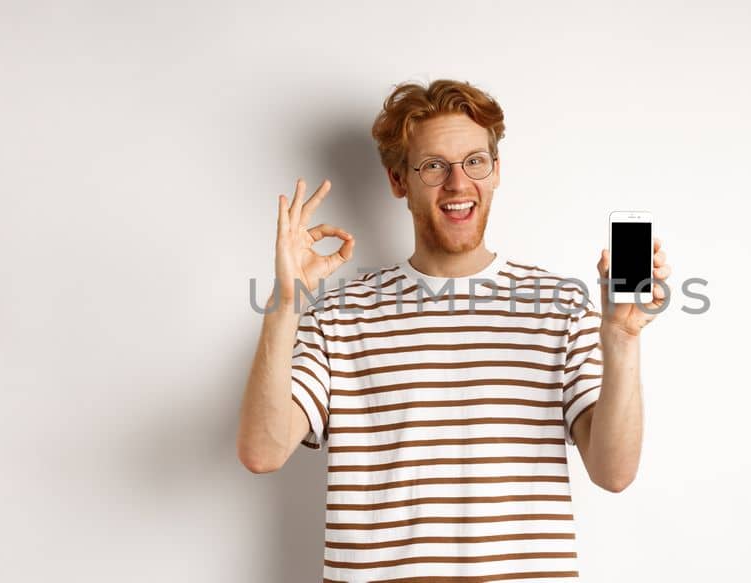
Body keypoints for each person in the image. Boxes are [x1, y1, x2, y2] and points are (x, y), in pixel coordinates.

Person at [235, 79, 672, 581]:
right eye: (433, 166)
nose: (458, 184)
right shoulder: (339, 315)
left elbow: (614, 473)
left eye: (474, 162)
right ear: (399, 181)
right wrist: (285, 301)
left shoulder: (562, 306)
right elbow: (262, 452)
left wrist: (621, 339)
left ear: (496, 171)